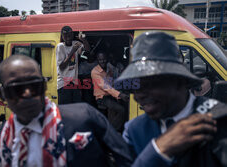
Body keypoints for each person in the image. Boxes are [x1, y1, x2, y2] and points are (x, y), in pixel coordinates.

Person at [0, 55, 133, 167]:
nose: (28, 94)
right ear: (1, 94)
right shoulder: (5, 135)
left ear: (44, 86)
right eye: (17, 88)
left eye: (35, 85)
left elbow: (125, 159)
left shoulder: (83, 116)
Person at [116, 32, 227, 167]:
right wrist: (159, 150)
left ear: (180, 81)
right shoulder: (134, 130)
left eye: (151, 83)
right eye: (136, 86)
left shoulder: (218, 120)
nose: (140, 95)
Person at [91, 51, 129, 132]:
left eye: (104, 59)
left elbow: (111, 84)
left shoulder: (109, 69)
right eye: (100, 59)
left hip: (110, 95)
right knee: (121, 109)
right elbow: (105, 86)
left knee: (124, 106)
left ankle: (120, 129)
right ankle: (112, 131)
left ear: (107, 59)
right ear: (97, 60)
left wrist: (119, 94)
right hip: (102, 98)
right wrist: (120, 95)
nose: (102, 61)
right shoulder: (95, 72)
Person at [56, 26, 90, 104]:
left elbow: (88, 50)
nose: (68, 37)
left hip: (74, 83)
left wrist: (83, 40)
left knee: (76, 108)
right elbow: (61, 67)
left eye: (70, 35)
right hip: (63, 84)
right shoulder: (60, 46)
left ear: (72, 35)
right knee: (66, 110)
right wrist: (72, 51)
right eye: (65, 35)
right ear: (62, 36)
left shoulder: (76, 43)